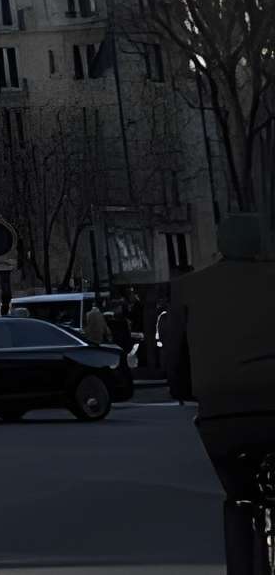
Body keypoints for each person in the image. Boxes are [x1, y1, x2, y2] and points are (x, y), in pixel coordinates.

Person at [179, 217, 275, 573]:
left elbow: (175, 355)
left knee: (238, 495)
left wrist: (187, 390)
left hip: (223, 412)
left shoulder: (189, 287)